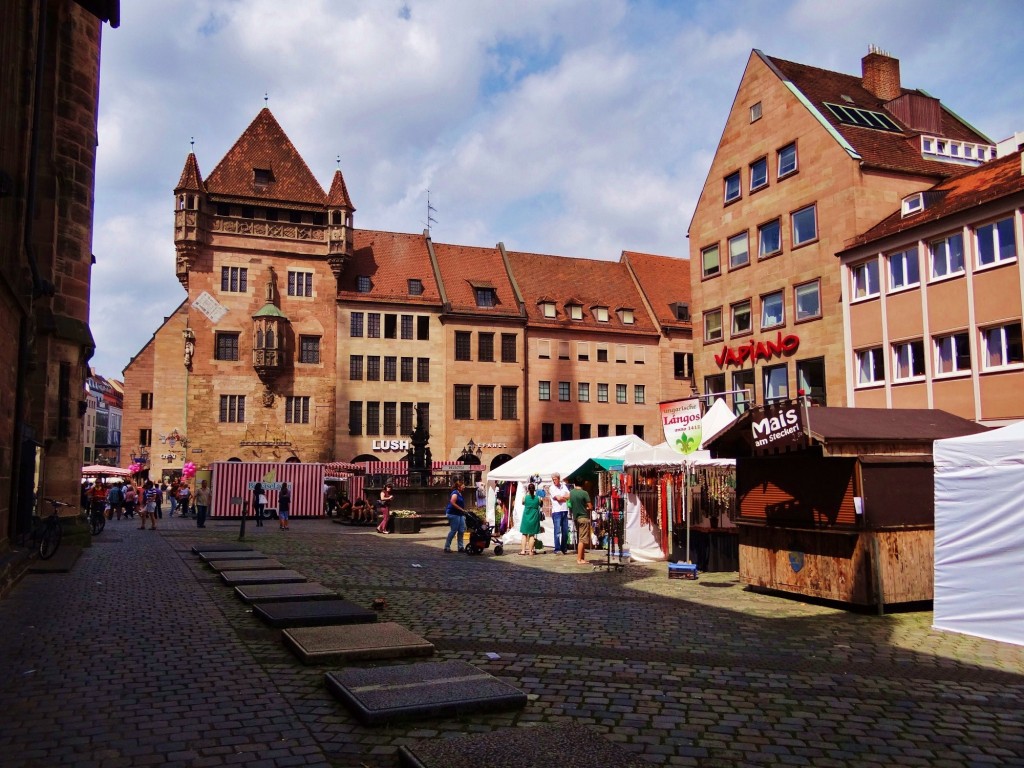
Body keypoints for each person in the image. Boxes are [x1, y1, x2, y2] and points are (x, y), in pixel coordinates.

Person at [569, 482, 593, 565]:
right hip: (583, 517)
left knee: (580, 538)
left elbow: (569, 503)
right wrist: (585, 507)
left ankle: (582, 558)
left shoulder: (571, 492)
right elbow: (590, 506)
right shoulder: (584, 493)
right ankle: (579, 559)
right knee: (582, 540)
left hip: (576, 517)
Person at [547, 473, 571, 555]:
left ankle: (564, 548)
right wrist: (564, 497)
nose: (554, 481)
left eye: (555, 479)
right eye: (553, 479)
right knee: (557, 531)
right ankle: (557, 548)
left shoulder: (563, 486)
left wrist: (563, 498)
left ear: (559, 479)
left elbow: (569, 495)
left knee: (565, 531)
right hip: (556, 511)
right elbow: (558, 498)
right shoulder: (552, 488)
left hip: (564, 510)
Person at [518, 482, 541, 556]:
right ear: (534, 490)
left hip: (526, 517)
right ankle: (530, 551)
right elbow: (541, 504)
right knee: (532, 535)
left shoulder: (525, 497)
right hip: (534, 517)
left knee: (524, 534)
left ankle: (523, 551)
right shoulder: (538, 498)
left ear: (528, 489)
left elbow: (523, 503)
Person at [443, 480, 467, 552]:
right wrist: (461, 509)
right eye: (463, 486)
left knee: (461, 530)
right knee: (454, 530)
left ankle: (460, 547)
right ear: (459, 487)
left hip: (460, 514)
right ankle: (447, 547)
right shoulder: (455, 493)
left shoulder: (460, 493)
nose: (464, 487)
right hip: (453, 514)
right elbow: (452, 502)